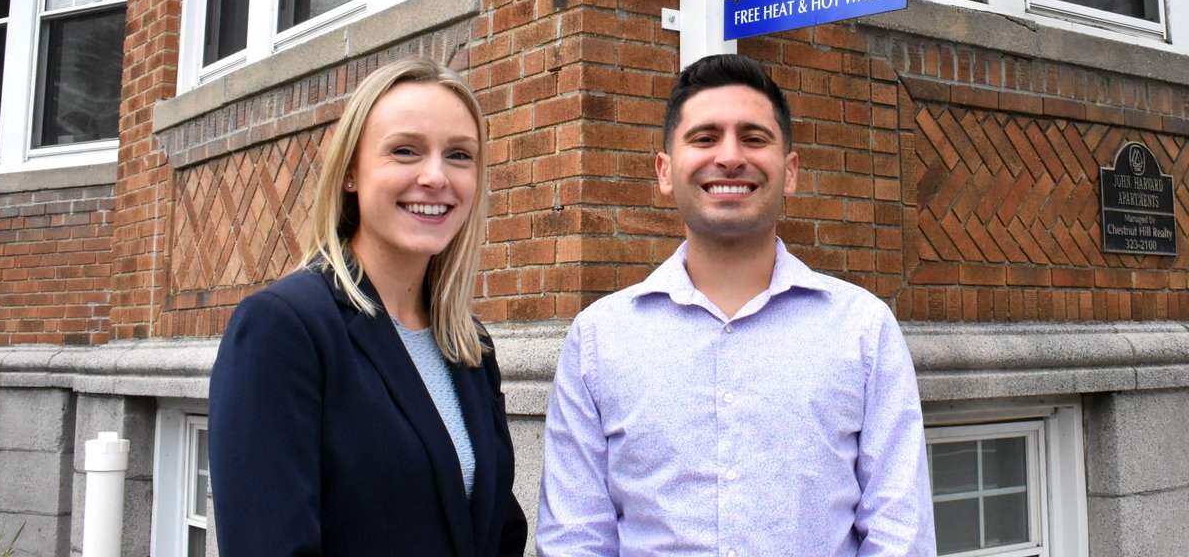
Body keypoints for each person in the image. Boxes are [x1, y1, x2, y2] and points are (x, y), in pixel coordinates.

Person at [537, 53, 935, 556]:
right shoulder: (598, 339)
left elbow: (900, 530)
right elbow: (576, 537)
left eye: (754, 138)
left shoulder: (863, 330)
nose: (729, 157)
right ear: (664, 171)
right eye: (704, 138)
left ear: (789, 172)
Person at [209, 57, 527, 557]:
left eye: (460, 156)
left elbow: (498, 530)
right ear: (351, 172)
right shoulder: (284, 327)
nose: (435, 177)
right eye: (405, 151)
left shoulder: (469, 344)